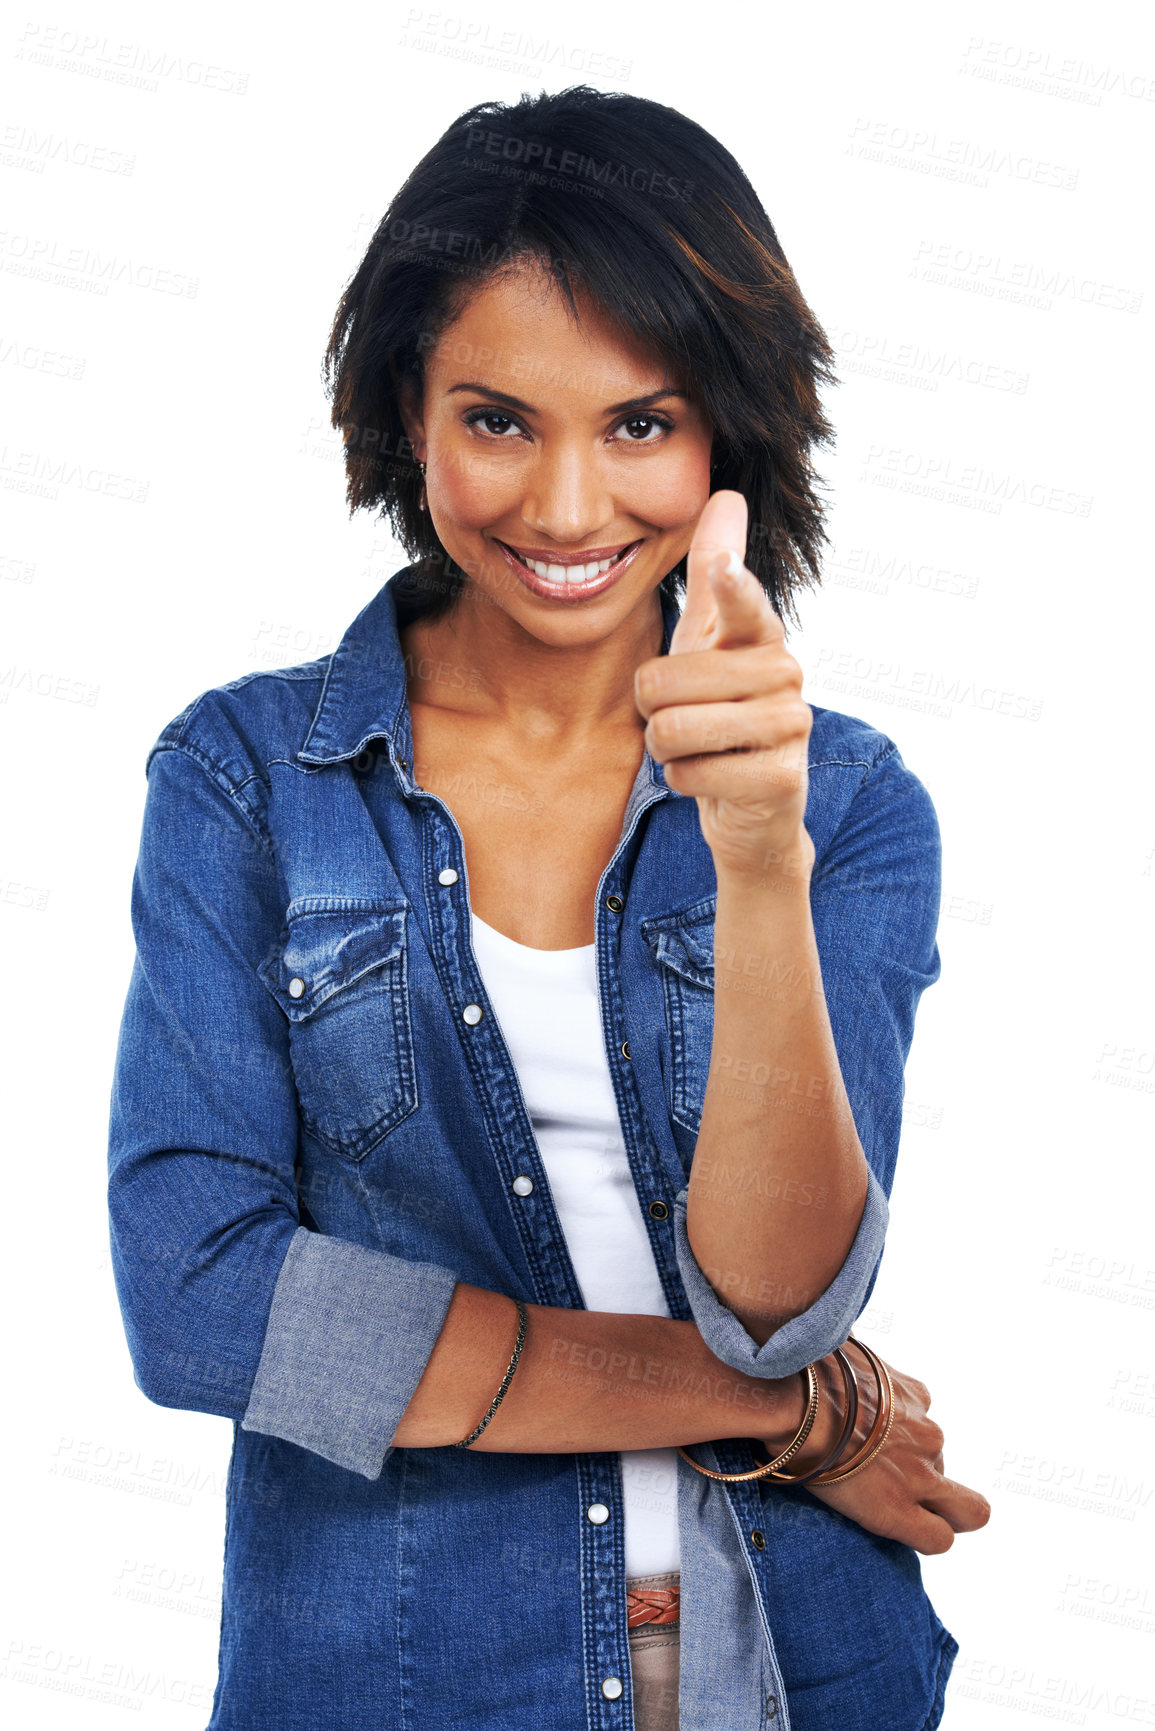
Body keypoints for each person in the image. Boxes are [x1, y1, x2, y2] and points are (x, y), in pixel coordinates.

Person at [106, 86, 990, 1731]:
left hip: (797, 1665)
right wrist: (787, 1417)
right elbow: (202, 1300)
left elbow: (780, 1303)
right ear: (404, 422)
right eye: (498, 420)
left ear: (731, 432)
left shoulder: (846, 806)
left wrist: (755, 859)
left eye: (640, 424)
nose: (570, 509)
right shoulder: (247, 781)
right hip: (395, 1677)